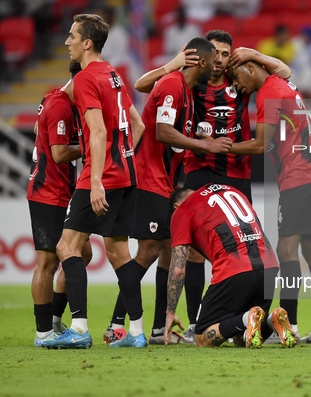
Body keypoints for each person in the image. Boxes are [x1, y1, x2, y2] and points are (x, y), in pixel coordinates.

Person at [134, 30, 292, 343]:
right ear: (204, 55)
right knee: (193, 253)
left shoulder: (239, 82)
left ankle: (248, 321)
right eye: (216, 53)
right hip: (198, 169)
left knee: (244, 241)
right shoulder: (193, 80)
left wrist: (255, 55)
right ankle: (197, 323)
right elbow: (142, 85)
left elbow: (284, 73)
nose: (220, 60)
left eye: (226, 54)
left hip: (236, 173)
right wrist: (173, 63)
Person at [103, 37, 231, 345]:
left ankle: (160, 327)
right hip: (149, 180)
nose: (217, 65)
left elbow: (169, 132)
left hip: (163, 181)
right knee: (148, 252)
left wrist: (195, 134)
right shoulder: (173, 84)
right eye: (213, 59)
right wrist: (206, 144)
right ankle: (116, 325)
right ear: (200, 62)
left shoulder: (184, 90)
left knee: (167, 251)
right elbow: (161, 131)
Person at [42, 14, 146, 349]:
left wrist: (98, 180)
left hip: (100, 176)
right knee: (118, 252)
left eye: (72, 36)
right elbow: (139, 126)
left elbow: (98, 131)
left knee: (66, 246)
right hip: (126, 174)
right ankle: (136, 333)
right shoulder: (113, 74)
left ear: (88, 42)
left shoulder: (87, 78)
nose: (67, 41)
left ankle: (80, 329)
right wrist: (121, 162)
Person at [227, 60, 311, 344]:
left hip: (299, 178)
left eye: (235, 76)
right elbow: (284, 69)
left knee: (286, 249)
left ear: (251, 68)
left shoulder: (268, 91)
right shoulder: (283, 83)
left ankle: (290, 327)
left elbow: (260, 145)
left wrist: (220, 145)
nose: (235, 84)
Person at [164, 184, 296, 349]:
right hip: (269, 265)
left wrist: (170, 312)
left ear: (176, 206)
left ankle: (248, 316)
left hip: (234, 267)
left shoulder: (182, 209)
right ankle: (271, 320)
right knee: (242, 339)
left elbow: (178, 269)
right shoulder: (233, 190)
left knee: (202, 338)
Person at [27, 61, 92, 347]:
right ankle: (44, 333)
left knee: (82, 253)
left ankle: (54, 318)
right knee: (47, 262)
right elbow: (59, 153)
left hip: (64, 192)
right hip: (48, 193)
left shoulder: (60, 101)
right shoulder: (60, 106)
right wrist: (93, 145)